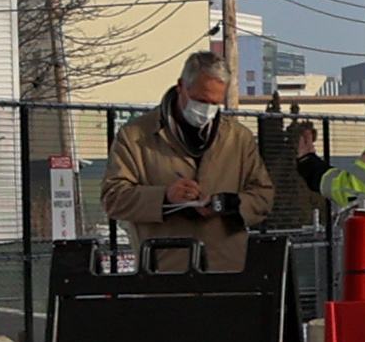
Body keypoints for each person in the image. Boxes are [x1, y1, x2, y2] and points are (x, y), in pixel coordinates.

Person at [101, 49, 277, 270]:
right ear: (181, 86)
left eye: (215, 104)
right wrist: (165, 197)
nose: (206, 111)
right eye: (200, 101)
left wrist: (230, 203)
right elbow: (113, 197)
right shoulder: (136, 136)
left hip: (226, 271)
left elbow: (263, 196)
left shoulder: (238, 138)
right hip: (165, 272)